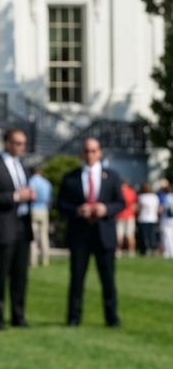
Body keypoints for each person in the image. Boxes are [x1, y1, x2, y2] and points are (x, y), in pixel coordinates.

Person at [57, 138, 125, 327]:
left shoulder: (111, 176)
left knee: (108, 280)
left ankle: (112, 318)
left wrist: (106, 209)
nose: (90, 155)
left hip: (104, 234)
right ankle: (73, 317)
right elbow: (61, 204)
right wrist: (78, 210)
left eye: (94, 151)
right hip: (80, 235)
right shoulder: (71, 177)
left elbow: (120, 202)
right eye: (87, 151)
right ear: (82, 153)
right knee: (77, 279)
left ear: (100, 152)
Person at [0, 128, 35, 329]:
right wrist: (14, 197)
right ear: (7, 143)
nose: (22, 147)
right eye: (18, 143)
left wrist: (29, 195)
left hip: (22, 225)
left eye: (23, 144)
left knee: (21, 274)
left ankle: (18, 316)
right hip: (2, 226)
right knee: (0, 274)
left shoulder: (22, 166)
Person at [27, 164, 53, 267]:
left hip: (34, 209)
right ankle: (45, 260)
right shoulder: (46, 183)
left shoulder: (30, 182)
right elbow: (49, 198)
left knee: (33, 237)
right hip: (44, 210)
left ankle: (33, 260)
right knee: (44, 236)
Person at [136, 181, 160, 256]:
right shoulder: (154, 197)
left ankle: (145, 249)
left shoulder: (142, 197)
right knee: (151, 234)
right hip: (153, 218)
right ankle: (152, 248)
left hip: (143, 218)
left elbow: (138, 208)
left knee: (144, 235)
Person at [115, 179, 137, 257]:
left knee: (119, 235)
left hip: (120, 215)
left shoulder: (119, 191)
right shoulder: (132, 191)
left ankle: (118, 250)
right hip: (130, 215)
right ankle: (131, 251)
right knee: (130, 234)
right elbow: (134, 204)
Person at [158, 179, 173, 259]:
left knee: (166, 236)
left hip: (167, 219)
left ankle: (168, 252)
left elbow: (162, 208)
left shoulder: (166, 197)